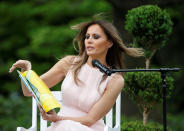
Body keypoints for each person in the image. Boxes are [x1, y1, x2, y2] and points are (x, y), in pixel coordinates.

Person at [9, 19, 143, 131]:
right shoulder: (69, 63)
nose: (89, 40)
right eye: (87, 36)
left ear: (109, 43)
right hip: (60, 127)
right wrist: (26, 71)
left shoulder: (115, 79)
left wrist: (58, 119)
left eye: (96, 37)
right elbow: (28, 91)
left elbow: (90, 120)